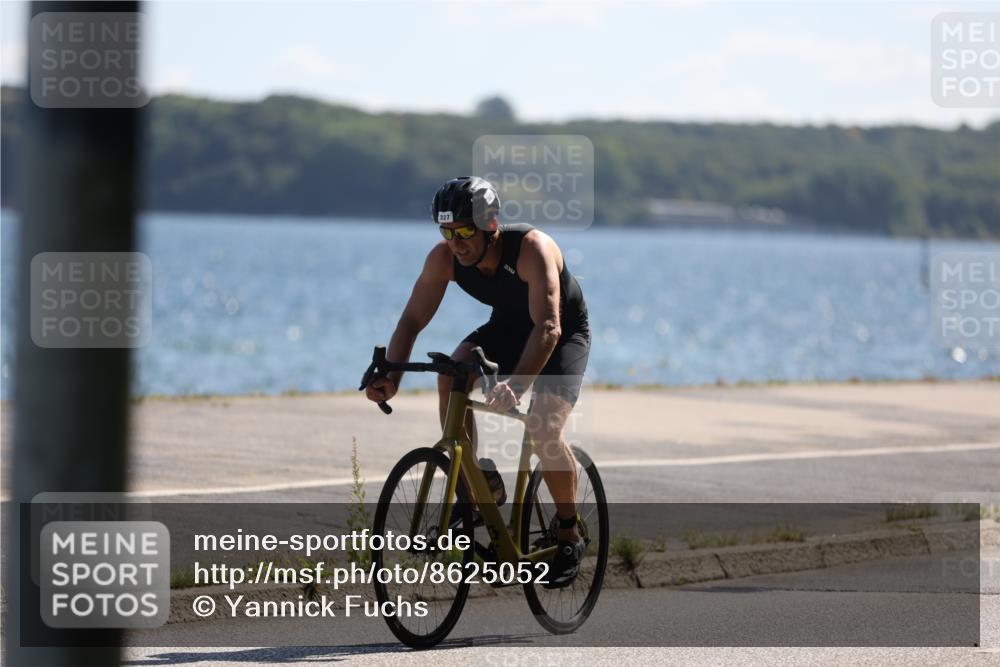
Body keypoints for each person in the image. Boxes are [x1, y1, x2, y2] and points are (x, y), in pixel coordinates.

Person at [365, 176, 592, 588]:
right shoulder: (444, 259)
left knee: (544, 427)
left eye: (465, 231)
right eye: (447, 232)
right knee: (453, 372)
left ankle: (568, 533)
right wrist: (391, 375)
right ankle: (477, 485)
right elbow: (412, 320)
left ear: (491, 226)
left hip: (559, 334)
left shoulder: (531, 250)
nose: (456, 242)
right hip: (507, 328)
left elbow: (548, 327)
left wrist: (517, 387)